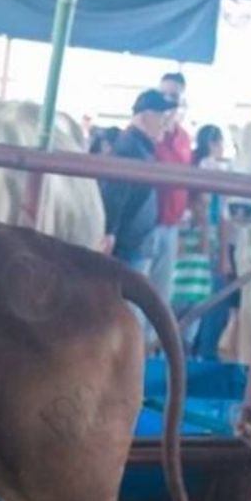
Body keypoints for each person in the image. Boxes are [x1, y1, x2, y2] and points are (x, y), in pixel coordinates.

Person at [100, 89, 176, 285]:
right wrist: (110, 232)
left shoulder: (136, 145)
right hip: (129, 243)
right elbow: (115, 193)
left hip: (134, 241)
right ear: (146, 115)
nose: (164, 124)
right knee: (128, 301)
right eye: (161, 116)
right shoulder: (130, 147)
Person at [187, 125, 236, 360]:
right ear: (214, 143)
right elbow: (217, 213)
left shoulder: (193, 166)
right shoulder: (217, 169)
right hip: (211, 241)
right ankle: (205, 355)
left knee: (189, 300)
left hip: (189, 242)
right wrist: (223, 253)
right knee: (212, 302)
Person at [149, 73, 192, 320]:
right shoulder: (148, 134)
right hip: (148, 225)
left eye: (174, 96)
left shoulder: (185, 137)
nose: (168, 101)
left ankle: (150, 352)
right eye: (164, 94)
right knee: (138, 290)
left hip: (172, 225)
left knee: (161, 294)